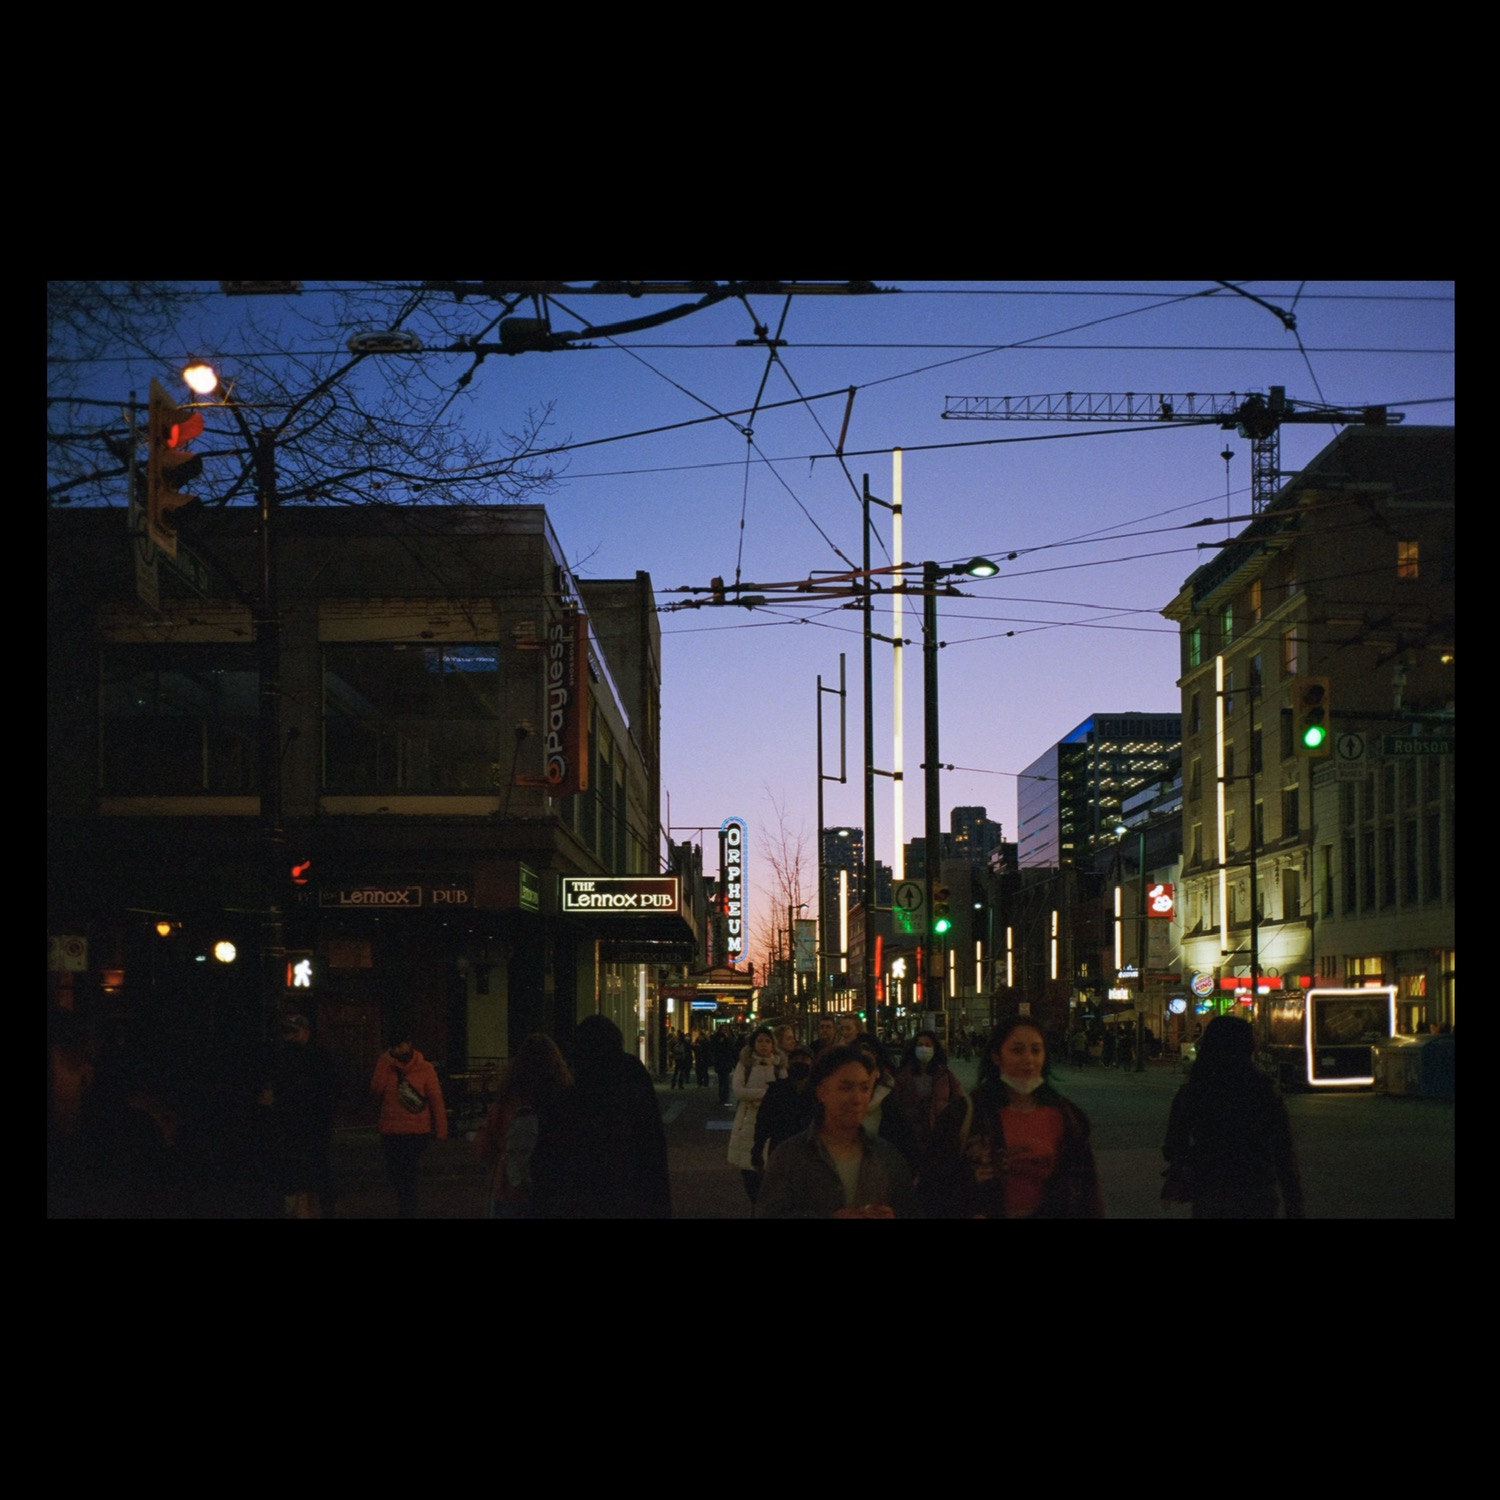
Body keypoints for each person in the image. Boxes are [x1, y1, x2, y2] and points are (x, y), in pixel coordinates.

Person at [923, 1015, 1104, 1219]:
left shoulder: (1066, 1116)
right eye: (1017, 1050)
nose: (1028, 1059)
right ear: (996, 1056)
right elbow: (933, 1183)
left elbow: (1086, 1190)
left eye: (1036, 1050)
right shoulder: (967, 1114)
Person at [1162, 1013, 1305, 1219]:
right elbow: (1283, 1150)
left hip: (1211, 1188)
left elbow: (1173, 1144)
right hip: (1256, 1187)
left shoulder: (1194, 1090)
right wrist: (1294, 1203)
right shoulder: (1263, 1090)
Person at [754, 1045, 919, 1219]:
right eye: (846, 1088)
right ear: (822, 1092)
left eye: (864, 1088)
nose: (857, 1099)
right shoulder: (790, 1157)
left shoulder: (886, 1157)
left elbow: (909, 1210)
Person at [531, 1014, 671, 1219]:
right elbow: (652, 1146)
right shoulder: (632, 1077)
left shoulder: (574, 1097)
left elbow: (551, 1162)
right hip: (630, 1195)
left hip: (586, 1199)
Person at [473, 1033, 571, 1219]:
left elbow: (484, 1147)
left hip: (510, 1188)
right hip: (552, 1189)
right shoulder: (563, 1101)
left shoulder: (506, 1103)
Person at [266, 1013, 339, 1219]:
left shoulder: (318, 1057)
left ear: (306, 1032)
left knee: (316, 1168)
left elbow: (330, 1089)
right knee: (297, 1170)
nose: (290, 1036)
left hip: (313, 1122)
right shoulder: (282, 1057)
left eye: (294, 1032)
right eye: (287, 1032)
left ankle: (321, 1207)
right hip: (291, 1121)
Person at [370, 1033, 448, 1219]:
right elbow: (376, 1089)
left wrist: (441, 1128)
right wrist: (383, 1063)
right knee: (395, 1171)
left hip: (416, 1130)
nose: (398, 1050)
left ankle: (407, 1209)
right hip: (391, 1129)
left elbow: (435, 1099)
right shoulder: (387, 1066)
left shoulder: (425, 1068)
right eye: (394, 1047)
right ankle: (406, 1205)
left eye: (401, 1045)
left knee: (408, 1171)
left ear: (409, 1044)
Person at [727, 1026, 784, 1206]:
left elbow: (783, 1092)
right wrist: (765, 1094)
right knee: (748, 1170)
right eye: (760, 1041)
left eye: (767, 1041)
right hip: (747, 1123)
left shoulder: (779, 1065)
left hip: (772, 1122)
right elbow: (738, 1090)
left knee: (769, 1171)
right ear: (753, 1044)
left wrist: (759, 1096)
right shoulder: (745, 1064)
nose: (764, 1045)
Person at [892, 1029, 966, 1161]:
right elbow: (896, 1105)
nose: (923, 1048)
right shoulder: (903, 1076)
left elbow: (960, 1101)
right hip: (911, 1138)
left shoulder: (944, 1075)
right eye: (920, 1045)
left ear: (934, 1049)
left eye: (928, 1045)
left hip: (939, 1137)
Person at [753, 1046, 817, 1171]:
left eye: (804, 1059)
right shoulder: (777, 1090)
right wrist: (757, 1151)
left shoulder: (819, 1092)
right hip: (781, 1151)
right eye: (795, 1059)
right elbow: (763, 1122)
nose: (799, 1062)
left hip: (810, 1154)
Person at [713, 1025, 739, 1106]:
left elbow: (732, 1049)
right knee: (722, 1079)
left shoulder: (730, 1038)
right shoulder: (717, 1037)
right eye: (723, 1029)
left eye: (726, 1029)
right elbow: (715, 1047)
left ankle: (724, 1095)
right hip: (720, 1061)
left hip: (726, 1061)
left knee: (725, 1079)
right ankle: (722, 1094)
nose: (724, 1031)